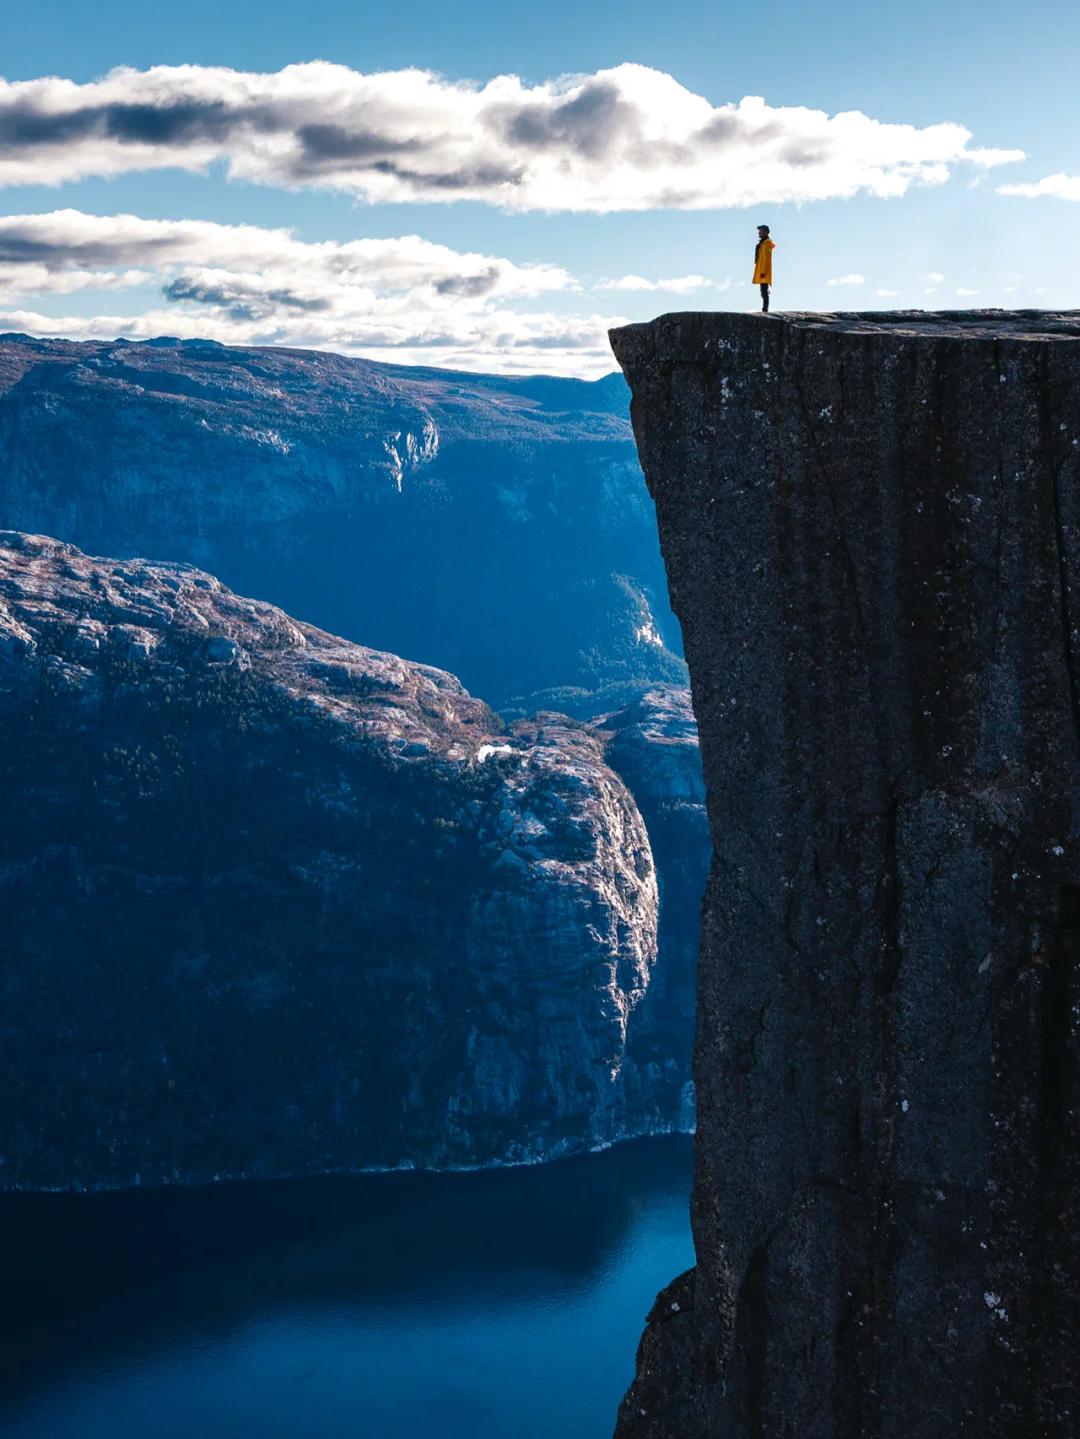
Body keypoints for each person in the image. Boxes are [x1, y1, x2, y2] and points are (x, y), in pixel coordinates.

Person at [753, 225, 775, 312]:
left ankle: (765, 308)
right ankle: (765, 307)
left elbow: (766, 259)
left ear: (766, 232)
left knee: (764, 291)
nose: (759, 232)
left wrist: (762, 271)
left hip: (763, 271)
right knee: (763, 290)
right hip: (762, 270)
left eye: (761, 230)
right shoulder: (762, 244)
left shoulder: (766, 244)